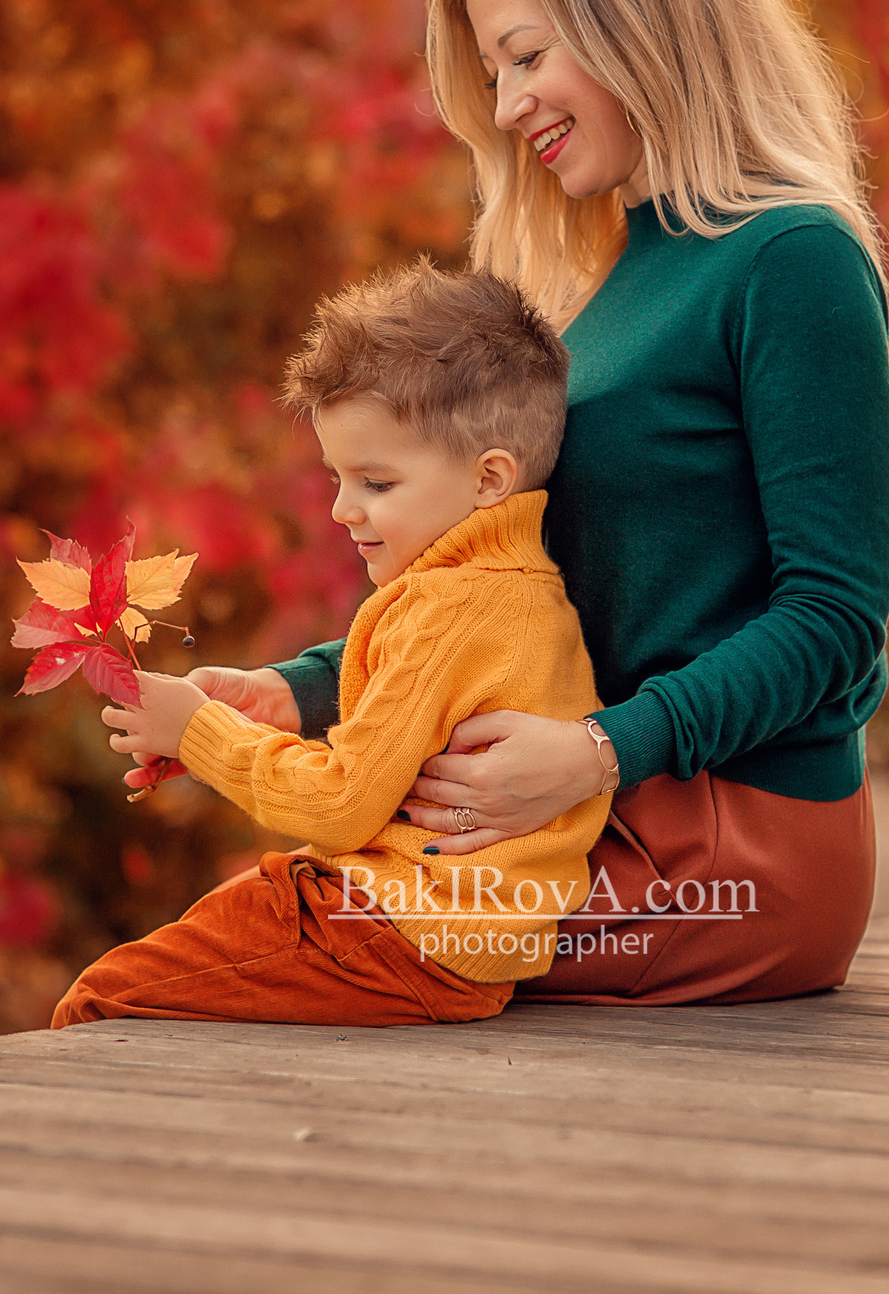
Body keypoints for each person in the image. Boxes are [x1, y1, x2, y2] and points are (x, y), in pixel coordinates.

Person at [170, 0, 889, 1006]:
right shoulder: (605, 280)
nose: (507, 111)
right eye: (494, 76)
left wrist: (602, 749)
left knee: (279, 935)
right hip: (589, 814)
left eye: (524, 58)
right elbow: (518, 577)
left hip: (734, 849)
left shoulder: (789, 260)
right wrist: (303, 689)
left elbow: (833, 621)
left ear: (642, 25)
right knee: (257, 930)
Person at [52, 260, 611, 1028]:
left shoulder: (452, 608)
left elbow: (343, 802)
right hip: (432, 930)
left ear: (489, 479)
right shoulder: (512, 590)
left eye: (377, 483)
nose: (344, 510)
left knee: (99, 1001)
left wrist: (200, 730)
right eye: (338, 479)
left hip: (399, 934)